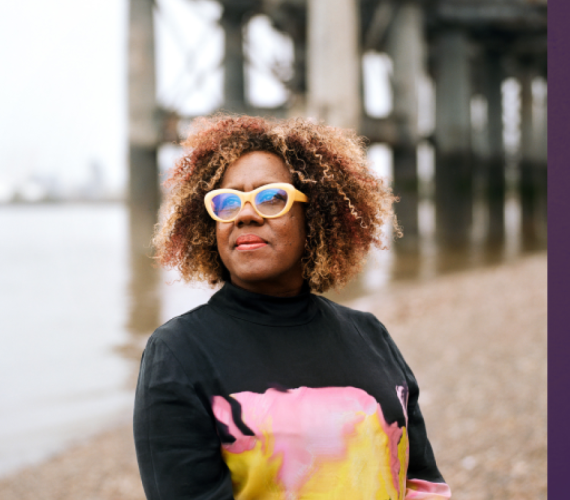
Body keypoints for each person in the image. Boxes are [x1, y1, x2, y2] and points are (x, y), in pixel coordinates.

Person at [134, 115, 451, 500]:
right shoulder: (178, 352)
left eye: (271, 198)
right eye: (227, 202)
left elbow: (421, 481)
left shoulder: (369, 335)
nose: (246, 214)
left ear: (314, 214)